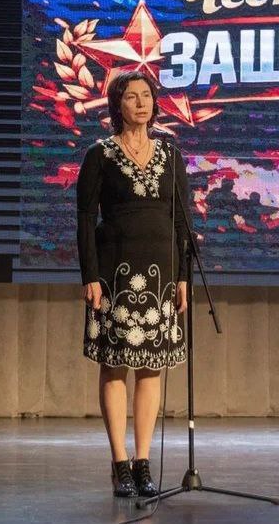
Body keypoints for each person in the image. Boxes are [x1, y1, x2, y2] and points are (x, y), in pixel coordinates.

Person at [76, 70, 191, 498]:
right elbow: (85, 219)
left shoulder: (171, 155)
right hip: (115, 274)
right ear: (117, 105)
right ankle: (119, 461)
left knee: (150, 366)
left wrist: (183, 276)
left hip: (161, 273)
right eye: (131, 97)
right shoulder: (100, 155)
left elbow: (182, 220)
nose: (141, 103)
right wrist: (90, 276)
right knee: (115, 364)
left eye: (146, 96)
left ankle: (143, 462)